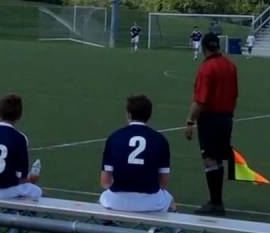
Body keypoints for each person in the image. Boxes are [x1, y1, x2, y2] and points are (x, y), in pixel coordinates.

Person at [185, 33, 238, 216]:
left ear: (204, 47)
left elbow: (201, 100)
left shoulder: (207, 68)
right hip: (227, 117)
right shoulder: (230, 65)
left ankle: (215, 203)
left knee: (209, 159)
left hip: (211, 118)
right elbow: (235, 94)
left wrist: (190, 121)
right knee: (218, 159)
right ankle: (217, 200)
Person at [99, 94, 174, 213]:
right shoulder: (160, 139)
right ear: (149, 115)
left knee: (105, 197)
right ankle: (160, 230)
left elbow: (105, 182)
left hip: (116, 202)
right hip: (150, 203)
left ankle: (108, 226)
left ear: (129, 114)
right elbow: (163, 183)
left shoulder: (114, 137)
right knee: (170, 201)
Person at [0, 94, 42, 200]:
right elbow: (21, 178)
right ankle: (17, 216)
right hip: (5, 191)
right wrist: (32, 180)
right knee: (36, 191)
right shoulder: (20, 138)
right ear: (19, 115)